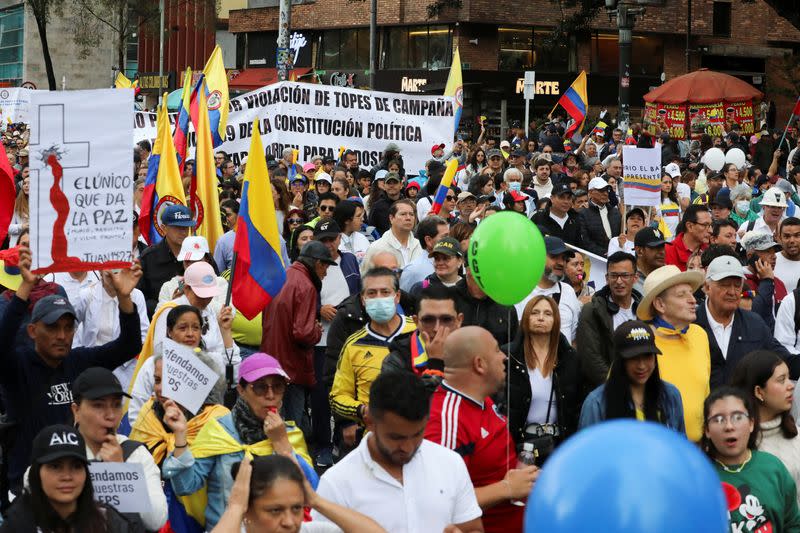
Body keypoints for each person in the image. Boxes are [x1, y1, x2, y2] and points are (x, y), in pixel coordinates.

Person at [0, 248, 142, 492]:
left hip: (77, 485)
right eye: (53, 328)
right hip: (29, 489)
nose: (62, 336)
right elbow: (2, 344)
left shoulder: (79, 361)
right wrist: (25, 287)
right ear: (33, 331)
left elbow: (129, 346)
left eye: (68, 327)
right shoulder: (18, 367)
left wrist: (124, 298)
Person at [162, 353, 319, 530]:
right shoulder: (219, 430)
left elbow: (311, 492)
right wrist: (181, 436)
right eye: (260, 388)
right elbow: (186, 486)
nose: (270, 395)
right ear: (241, 390)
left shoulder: (289, 434)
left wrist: (282, 445)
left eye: (278, 387)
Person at [317, 372, 483, 531]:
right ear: (369, 422)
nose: (408, 447)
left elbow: (472, 528)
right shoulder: (336, 485)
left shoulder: (450, 463)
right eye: (396, 437)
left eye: (417, 434)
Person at [426, 326, 538, 532]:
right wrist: (506, 489)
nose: (504, 356)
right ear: (479, 364)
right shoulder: (446, 421)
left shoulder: (482, 399)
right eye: (496, 350)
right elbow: (437, 503)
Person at [128, 262, 239, 424]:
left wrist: (226, 332)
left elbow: (232, 374)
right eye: (182, 327)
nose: (190, 334)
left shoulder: (211, 313)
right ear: (187, 289)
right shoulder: (168, 312)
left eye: (195, 327)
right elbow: (137, 410)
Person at [70, 368, 167, 530]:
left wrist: (120, 472)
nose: (110, 415)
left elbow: (156, 520)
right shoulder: (58, 451)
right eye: (98, 405)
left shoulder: (135, 453)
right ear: (76, 411)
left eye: (116, 405)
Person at [0, 425, 144, 532]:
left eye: (76, 466)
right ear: (37, 472)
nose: (67, 476)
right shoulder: (17, 525)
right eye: (55, 466)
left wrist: (119, 471)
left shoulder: (107, 520)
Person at [329, 268, 416, 438]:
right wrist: (361, 411)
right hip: (373, 439)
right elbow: (338, 396)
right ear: (363, 299)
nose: (379, 298)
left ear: (397, 296)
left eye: (385, 292)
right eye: (372, 293)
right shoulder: (354, 344)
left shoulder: (418, 332)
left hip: (417, 435)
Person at [703, 386, 800, 532]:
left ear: (751, 424)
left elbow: (792, 523)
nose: (729, 426)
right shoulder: (698, 477)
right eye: (719, 419)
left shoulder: (773, 467)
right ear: (707, 430)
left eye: (738, 417)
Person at [211, 455, 387, 533]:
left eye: (296, 508)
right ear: (247, 509)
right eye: (275, 510)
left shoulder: (312, 531)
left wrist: (317, 501)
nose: (290, 522)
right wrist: (235, 507)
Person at [261, 241, 333, 431]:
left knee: (274, 422)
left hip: (272, 362)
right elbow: (303, 333)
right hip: (291, 368)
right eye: (325, 266)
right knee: (292, 428)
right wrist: (316, 330)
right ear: (318, 263)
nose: (326, 273)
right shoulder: (306, 285)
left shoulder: (283, 277)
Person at [695, 255, 798, 387]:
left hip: (745, 406)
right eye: (725, 285)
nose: (732, 292)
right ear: (707, 287)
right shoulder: (691, 323)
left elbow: (785, 360)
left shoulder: (754, 324)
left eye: (738, 286)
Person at [636, 264, 709, 442]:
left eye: (691, 293)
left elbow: (706, 392)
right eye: (682, 295)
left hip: (700, 450)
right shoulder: (640, 344)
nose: (693, 300)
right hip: (657, 450)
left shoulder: (699, 335)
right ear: (660, 304)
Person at [578, 319, 685, 433]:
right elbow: (589, 449)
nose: (642, 366)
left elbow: (679, 446)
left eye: (647, 356)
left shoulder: (670, 395)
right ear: (620, 361)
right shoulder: (596, 404)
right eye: (634, 358)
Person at [501, 296, 580, 449]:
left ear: (556, 320)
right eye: (535, 313)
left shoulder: (569, 357)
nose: (541, 318)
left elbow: (575, 407)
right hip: (519, 443)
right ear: (525, 318)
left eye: (548, 313)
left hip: (559, 444)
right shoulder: (508, 356)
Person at [730, 350, 800, 506]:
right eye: (781, 380)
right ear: (759, 392)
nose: (791, 386)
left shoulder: (796, 435)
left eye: (789, 378)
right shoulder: (734, 446)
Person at [71, 269, 150, 389]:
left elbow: (143, 333)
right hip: (93, 365)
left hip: (125, 366)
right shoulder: (87, 295)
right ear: (100, 271)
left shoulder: (136, 295)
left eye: (117, 270)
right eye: (108, 272)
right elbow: (70, 326)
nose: (113, 276)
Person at [381, 283, 463, 392]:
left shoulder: (475, 353)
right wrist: (435, 365)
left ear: (459, 321)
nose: (437, 328)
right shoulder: (397, 360)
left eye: (446, 319)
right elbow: (403, 407)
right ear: (416, 321)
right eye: (428, 320)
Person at [577, 251, 642, 389]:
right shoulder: (592, 311)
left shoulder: (645, 310)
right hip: (606, 391)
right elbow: (591, 358)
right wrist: (617, 388)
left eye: (624, 275)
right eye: (614, 275)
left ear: (635, 278)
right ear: (607, 278)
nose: (619, 281)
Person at [515, 236, 581, 343]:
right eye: (554, 257)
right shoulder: (519, 291)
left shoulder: (568, 292)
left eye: (564, 258)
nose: (561, 263)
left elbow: (574, 336)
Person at [138, 204, 194, 317]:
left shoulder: (199, 255)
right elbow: (139, 298)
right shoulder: (148, 258)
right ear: (164, 228)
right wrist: (166, 305)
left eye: (186, 227)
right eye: (177, 227)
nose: (183, 231)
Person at [157, 235, 228, 315]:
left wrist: (198, 297)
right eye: (187, 261)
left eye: (196, 261)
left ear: (207, 259)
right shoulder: (169, 286)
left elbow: (228, 314)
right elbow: (159, 318)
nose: (191, 265)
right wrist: (175, 303)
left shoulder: (220, 282)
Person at [363, 200, 421, 271]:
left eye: (411, 214)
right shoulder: (377, 248)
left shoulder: (420, 247)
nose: (408, 218)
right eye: (403, 214)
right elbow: (366, 278)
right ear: (391, 218)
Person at [399, 215, 449, 292]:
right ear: (428, 240)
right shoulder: (413, 271)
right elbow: (403, 301)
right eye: (444, 237)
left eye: (449, 236)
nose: (450, 241)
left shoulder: (455, 264)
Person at [408, 236, 463, 306]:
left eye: (446, 258)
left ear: (460, 261)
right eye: (437, 258)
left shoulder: (469, 288)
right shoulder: (420, 288)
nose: (440, 263)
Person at [531, 183, 584, 247]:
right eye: (562, 197)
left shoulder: (575, 219)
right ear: (552, 198)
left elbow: (580, 246)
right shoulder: (538, 218)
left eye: (569, 198)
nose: (566, 201)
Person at [579, 177, 621, 257]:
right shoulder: (583, 213)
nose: (605, 193)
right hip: (595, 259)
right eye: (601, 190)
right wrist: (604, 253)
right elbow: (586, 241)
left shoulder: (615, 212)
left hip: (616, 256)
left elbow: (620, 235)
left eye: (606, 190)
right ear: (590, 192)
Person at [664, 204, 712, 271]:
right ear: (690, 226)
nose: (710, 230)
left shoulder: (711, 252)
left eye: (710, 225)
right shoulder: (667, 252)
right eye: (705, 225)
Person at [334, 200, 369, 265]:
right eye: (358, 216)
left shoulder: (362, 237)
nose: (362, 219)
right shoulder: (333, 241)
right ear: (347, 220)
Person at [633, 227, 667, 295]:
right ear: (639, 251)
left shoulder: (669, 274)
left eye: (663, 247)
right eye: (656, 247)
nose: (662, 252)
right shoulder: (627, 279)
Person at [777, 217, 800, 291]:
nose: (792, 240)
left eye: (797, 235)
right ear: (780, 238)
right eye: (787, 236)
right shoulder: (770, 262)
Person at [8, 173, 28, 246]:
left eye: (29, 183)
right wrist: (22, 226)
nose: (26, 185)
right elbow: (8, 228)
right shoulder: (16, 204)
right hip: (17, 247)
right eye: (25, 183)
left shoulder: (42, 205)